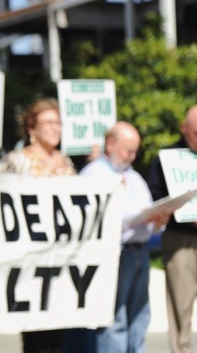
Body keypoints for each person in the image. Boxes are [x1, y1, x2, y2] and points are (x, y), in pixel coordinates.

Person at [0, 98, 76, 353]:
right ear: (32, 128)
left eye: (58, 123)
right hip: (30, 260)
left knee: (59, 335)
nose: (55, 128)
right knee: (36, 336)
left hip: (63, 258)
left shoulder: (67, 163)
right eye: (48, 123)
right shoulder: (17, 161)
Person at [80, 122, 166, 352]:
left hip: (139, 251)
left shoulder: (135, 177)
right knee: (114, 318)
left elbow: (148, 214)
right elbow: (94, 220)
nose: (133, 155)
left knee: (139, 314)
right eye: (128, 149)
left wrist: (157, 220)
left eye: (135, 150)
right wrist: (135, 218)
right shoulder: (93, 174)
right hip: (114, 254)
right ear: (110, 144)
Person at [147, 105, 197, 353]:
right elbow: (155, 199)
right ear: (183, 129)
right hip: (181, 239)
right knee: (181, 304)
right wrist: (179, 213)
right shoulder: (167, 157)